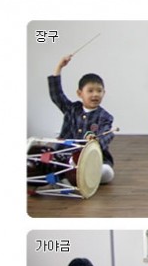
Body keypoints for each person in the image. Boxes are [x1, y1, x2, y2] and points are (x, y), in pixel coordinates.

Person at [48, 54, 115, 183]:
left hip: (92, 158)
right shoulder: (72, 109)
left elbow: (108, 134)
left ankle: (81, 176)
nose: (95, 94)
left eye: (99, 91)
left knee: (107, 172)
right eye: (90, 91)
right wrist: (59, 67)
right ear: (80, 93)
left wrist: (96, 140)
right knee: (49, 162)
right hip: (67, 156)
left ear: (104, 93)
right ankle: (67, 177)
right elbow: (56, 95)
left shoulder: (105, 116)